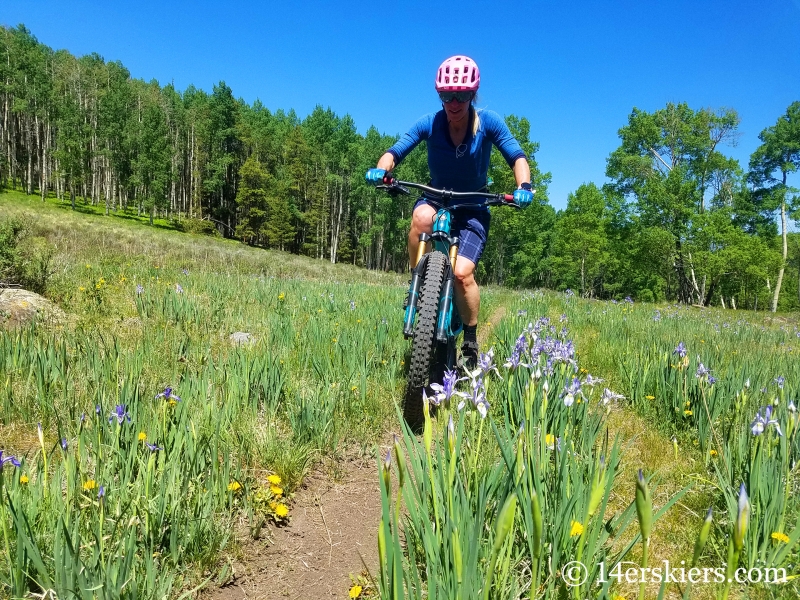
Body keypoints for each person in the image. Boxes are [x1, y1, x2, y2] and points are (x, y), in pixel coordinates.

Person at [366, 55, 533, 368]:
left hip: (473, 206)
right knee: (419, 218)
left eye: (462, 95)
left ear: (473, 94)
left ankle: (470, 339)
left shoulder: (489, 123)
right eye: (446, 95)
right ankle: (417, 284)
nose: (454, 103)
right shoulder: (430, 123)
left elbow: (516, 156)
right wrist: (381, 170)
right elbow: (396, 149)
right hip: (436, 198)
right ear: (439, 94)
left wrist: (524, 186)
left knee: (462, 274)